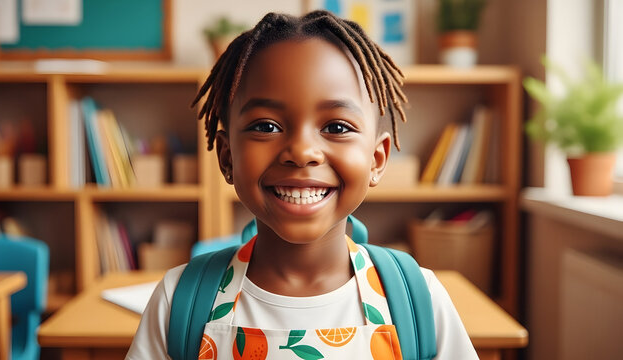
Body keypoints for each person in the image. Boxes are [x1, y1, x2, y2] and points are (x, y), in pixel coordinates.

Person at [127, 10, 478, 360]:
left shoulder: (420, 301)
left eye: (337, 127)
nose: (302, 152)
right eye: (266, 126)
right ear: (227, 157)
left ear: (377, 159)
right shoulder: (179, 302)